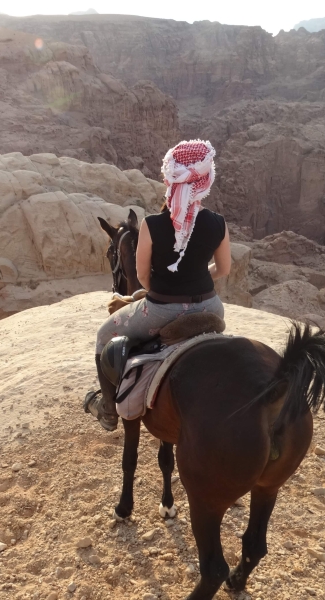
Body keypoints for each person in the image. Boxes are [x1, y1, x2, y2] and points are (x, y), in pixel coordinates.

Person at [85, 139, 232, 431]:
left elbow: (141, 276)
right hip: (211, 306)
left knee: (104, 335)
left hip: (161, 310)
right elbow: (224, 269)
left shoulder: (152, 224)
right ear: (206, 181)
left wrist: (166, 288)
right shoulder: (218, 223)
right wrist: (198, 279)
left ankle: (110, 409)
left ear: (169, 178)